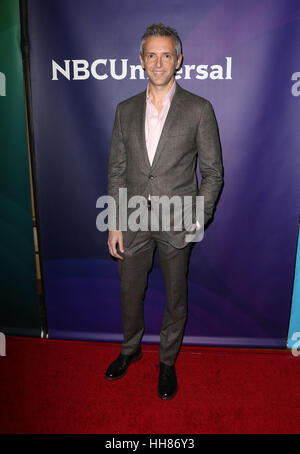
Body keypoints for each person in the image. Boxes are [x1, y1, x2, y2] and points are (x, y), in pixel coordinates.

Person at [105, 23, 223, 400]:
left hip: (177, 223)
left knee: (175, 298)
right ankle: (130, 349)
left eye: (166, 55)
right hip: (134, 219)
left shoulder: (199, 109)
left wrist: (196, 218)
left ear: (178, 60)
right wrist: (115, 222)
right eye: (152, 55)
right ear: (141, 60)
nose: (159, 63)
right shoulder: (124, 111)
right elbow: (117, 170)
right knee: (129, 292)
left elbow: (213, 173)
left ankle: (167, 363)